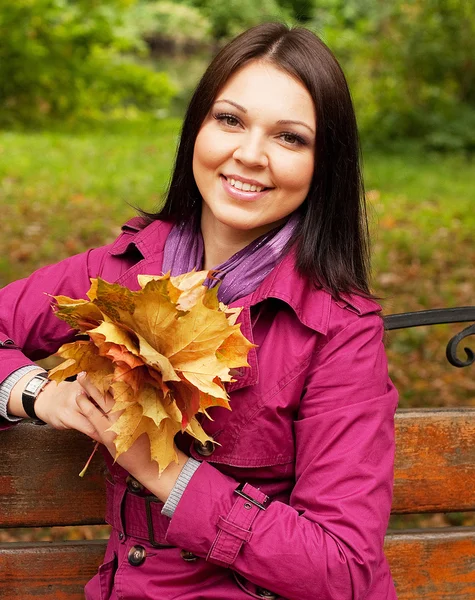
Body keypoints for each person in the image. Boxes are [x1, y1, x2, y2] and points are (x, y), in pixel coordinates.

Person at [0, 22, 398, 600]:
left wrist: (158, 468)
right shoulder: (121, 271)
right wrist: (41, 394)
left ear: (323, 164)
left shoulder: (338, 330)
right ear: (197, 130)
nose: (249, 155)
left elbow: (343, 569)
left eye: (290, 138)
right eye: (230, 120)